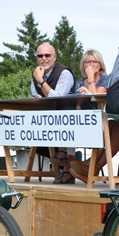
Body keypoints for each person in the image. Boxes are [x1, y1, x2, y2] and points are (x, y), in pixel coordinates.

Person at [69, 50, 119, 184]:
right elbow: (77, 104)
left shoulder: (105, 80)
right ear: (83, 65)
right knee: (112, 128)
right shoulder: (79, 82)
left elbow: (97, 98)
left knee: (116, 126)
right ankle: (93, 168)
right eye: (88, 62)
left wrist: (91, 79)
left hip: (99, 120)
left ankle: (92, 167)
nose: (91, 65)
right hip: (83, 123)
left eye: (94, 61)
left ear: (100, 65)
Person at [31, 42, 76, 184]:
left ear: (55, 57)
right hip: (46, 119)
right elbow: (34, 95)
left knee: (67, 124)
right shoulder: (35, 73)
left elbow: (58, 98)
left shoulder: (64, 73)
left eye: (47, 55)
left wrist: (40, 81)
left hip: (67, 120)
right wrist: (39, 97)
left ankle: (69, 163)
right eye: (40, 56)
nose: (44, 58)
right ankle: (66, 164)